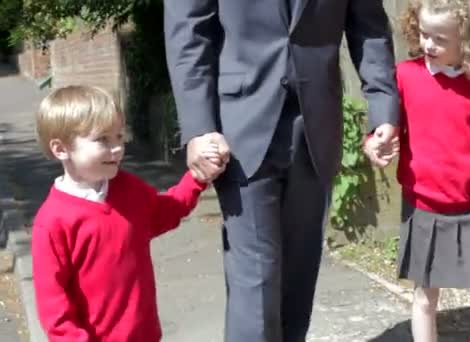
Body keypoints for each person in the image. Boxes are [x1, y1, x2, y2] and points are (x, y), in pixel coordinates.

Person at [163, 0, 401, 340]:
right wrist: (199, 126)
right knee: (256, 282)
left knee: (298, 281)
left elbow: (370, 28)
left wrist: (383, 108)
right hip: (241, 131)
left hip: (317, 129)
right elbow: (188, 30)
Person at [366, 0, 470, 341]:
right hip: (424, 208)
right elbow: (383, 127)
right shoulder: (406, 76)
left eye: (440, 39)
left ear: (468, 39)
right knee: (425, 297)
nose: (428, 44)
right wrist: (375, 142)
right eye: (423, 34)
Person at [31, 85, 220, 341]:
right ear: (61, 149)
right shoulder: (52, 222)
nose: (117, 148)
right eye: (103, 140)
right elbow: (54, 306)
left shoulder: (128, 188)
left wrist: (197, 178)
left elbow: (167, 211)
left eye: (119, 137)